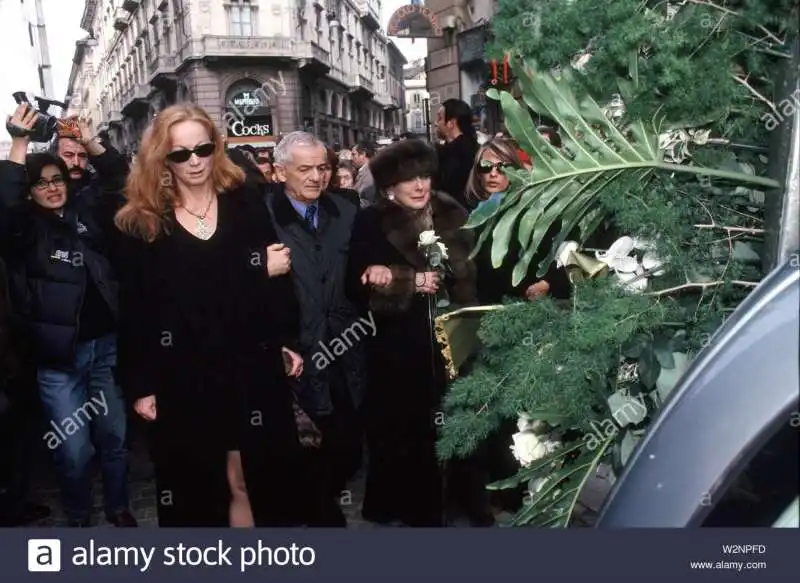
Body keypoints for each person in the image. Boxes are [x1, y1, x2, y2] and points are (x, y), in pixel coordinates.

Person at [114, 104, 305, 527]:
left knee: (252, 478)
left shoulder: (244, 200)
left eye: (202, 148)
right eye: (180, 154)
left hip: (249, 363)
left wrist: (287, 339)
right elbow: (141, 309)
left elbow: (279, 277)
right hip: (183, 371)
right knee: (199, 487)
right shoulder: (143, 222)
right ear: (161, 159)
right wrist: (141, 384)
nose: (194, 161)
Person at [0, 104, 134, 527]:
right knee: (75, 449)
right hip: (59, 362)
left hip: (104, 352)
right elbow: (4, 205)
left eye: (57, 180)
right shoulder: (23, 230)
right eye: (41, 184)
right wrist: (20, 142)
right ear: (30, 192)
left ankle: (119, 507)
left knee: (114, 438)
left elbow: (118, 178)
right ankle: (79, 515)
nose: (53, 188)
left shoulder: (87, 209)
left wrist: (88, 138)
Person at [347, 139, 478, 526]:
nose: (420, 186)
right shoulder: (371, 221)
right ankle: (411, 509)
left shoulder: (452, 211)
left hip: (453, 338)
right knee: (404, 430)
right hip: (399, 348)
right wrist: (405, 280)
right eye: (409, 180)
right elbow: (355, 285)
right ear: (390, 186)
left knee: (457, 420)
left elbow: (473, 271)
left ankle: (460, 501)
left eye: (424, 176)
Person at [265, 132, 366, 527]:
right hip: (295, 349)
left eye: (322, 167)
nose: (315, 177)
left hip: (346, 344)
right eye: (303, 169)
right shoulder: (261, 216)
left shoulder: (348, 210)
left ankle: (324, 503)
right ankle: (317, 515)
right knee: (303, 439)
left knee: (346, 438)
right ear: (279, 172)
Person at [466, 138, 571, 304]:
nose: (493, 174)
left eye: (502, 167)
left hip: (531, 310)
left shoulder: (535, 212)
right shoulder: (472, 216)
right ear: (478, 173)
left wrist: (547, 283)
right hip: (486, 311)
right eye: (486, 167)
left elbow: (564, 256)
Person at [433, 99, 480, 210]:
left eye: (439, 118)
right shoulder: (475, 148)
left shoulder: (464, 153)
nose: (435, 123)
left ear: (451, 123)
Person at [351, 141, 377, 207]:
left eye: (354, 154)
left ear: (363, 154)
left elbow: (366, 200)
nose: (351, 158)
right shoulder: (363, 171)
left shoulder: (369, 173)